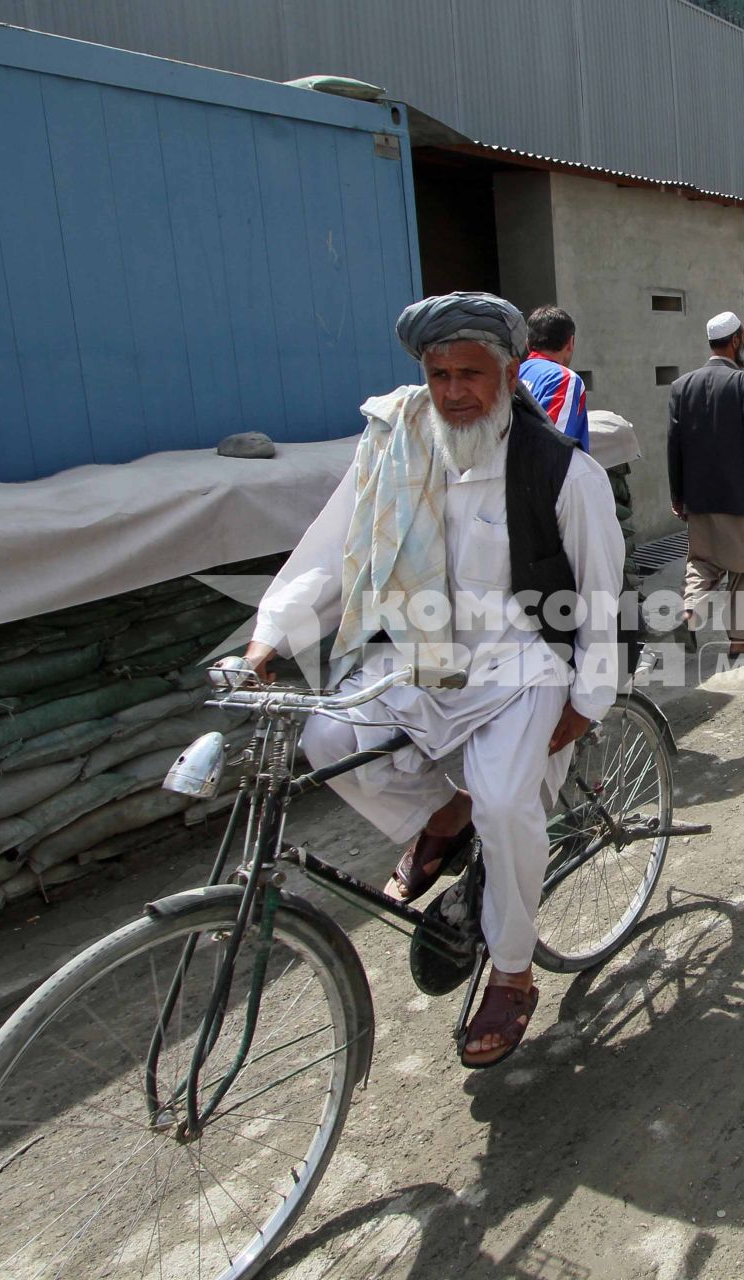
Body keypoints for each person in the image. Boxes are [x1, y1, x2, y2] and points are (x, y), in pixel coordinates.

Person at [241, 291, 623, 1069]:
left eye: (471, 374)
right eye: (438, 372)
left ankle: (512, 972)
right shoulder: (392, 447)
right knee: (330, 731)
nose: (453, 392)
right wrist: (273, 634)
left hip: (523, 664)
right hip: (423, 651)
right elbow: (334, 548)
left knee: (511, 804)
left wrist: (587, 703)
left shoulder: (561, 472)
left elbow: (600, 595)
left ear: (509, 372)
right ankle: (442, 817)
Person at [667, 311, 744, 657]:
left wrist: (678, 494)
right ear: (736, 340)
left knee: (702, 563)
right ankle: (739, 640)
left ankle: (688, 613)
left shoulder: (681, 386)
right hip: (743, 498)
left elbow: (673, 444)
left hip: (700, 497)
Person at [519, 306, 590, 452]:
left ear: (527, 343)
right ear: (570, 342)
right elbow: (554, 446)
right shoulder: (564, 379)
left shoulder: (512, 374)